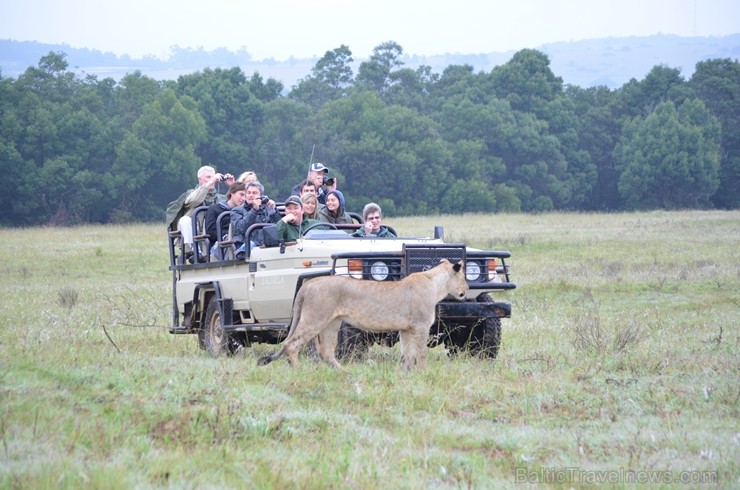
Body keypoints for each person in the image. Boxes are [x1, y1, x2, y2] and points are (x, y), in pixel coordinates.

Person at [166, 165, 234, 247]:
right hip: (195, 233)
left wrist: (232, 186)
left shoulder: (219, 197)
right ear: (199, 179)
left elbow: (232, 202)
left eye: (213, 177)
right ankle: (192, 250)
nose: (213, 179)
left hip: (214, 234)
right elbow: (195, 200)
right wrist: (210, 182)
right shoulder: (191, 193)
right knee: (184, 220)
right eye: (208, 177)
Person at [231, 181, 280, 251]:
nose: (251, 195)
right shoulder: (236, 210)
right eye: (248, 193)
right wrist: (254, 210)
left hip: (266, 247)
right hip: (245, 247)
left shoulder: (267, 209)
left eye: (254, 193)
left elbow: (279, 227)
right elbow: (240, 228)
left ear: (261, 195)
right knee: (250, 245)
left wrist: (273, 209)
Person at [204, 182, 246, 258]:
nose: (243, 199)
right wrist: (230, 233)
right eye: (241, 194)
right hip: (220, 244)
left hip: (240, 242)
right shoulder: (214, 209)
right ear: (232, 193)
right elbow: (210, 232)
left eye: (245, 196)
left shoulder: (245, 211)